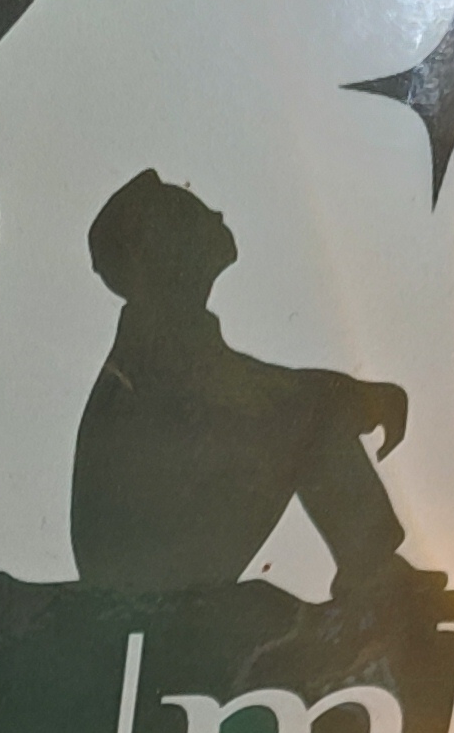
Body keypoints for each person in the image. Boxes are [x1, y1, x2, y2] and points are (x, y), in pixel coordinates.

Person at [69, 169, 409, 596]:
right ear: (161, 248)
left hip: (156, 548)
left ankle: (375, 568)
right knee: (316, 413)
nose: (216, 214)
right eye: (190, 214)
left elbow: (254, 388)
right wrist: (355, 398)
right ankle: (374, 571)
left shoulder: (167, 331)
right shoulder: (155, 338)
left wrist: (351, 397)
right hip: (146, 559)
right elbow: (263, 396)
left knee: (317, 408)